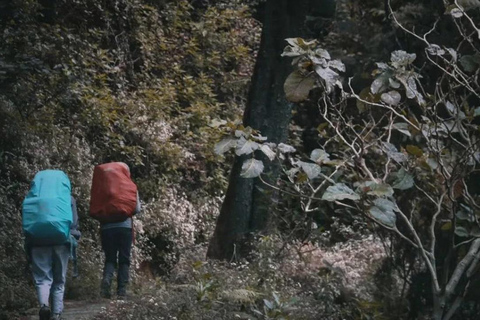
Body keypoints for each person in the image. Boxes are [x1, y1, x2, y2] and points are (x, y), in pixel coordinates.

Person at [27, 196, 81, 320]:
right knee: (59, 279)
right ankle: (56, 314)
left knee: (42, 278)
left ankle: (44, 306)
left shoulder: (34, 196)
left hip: (38, 240)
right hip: (62, 239)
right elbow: (73, 223)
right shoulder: (67, 197)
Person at [99, 165, 141, 299]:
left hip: (106, 228)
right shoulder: (130, 187)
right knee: (124, 259)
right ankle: (121, 291)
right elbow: (136, 209)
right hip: (124, 227)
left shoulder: (103, 187)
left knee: (110, 258)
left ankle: (107, 280)